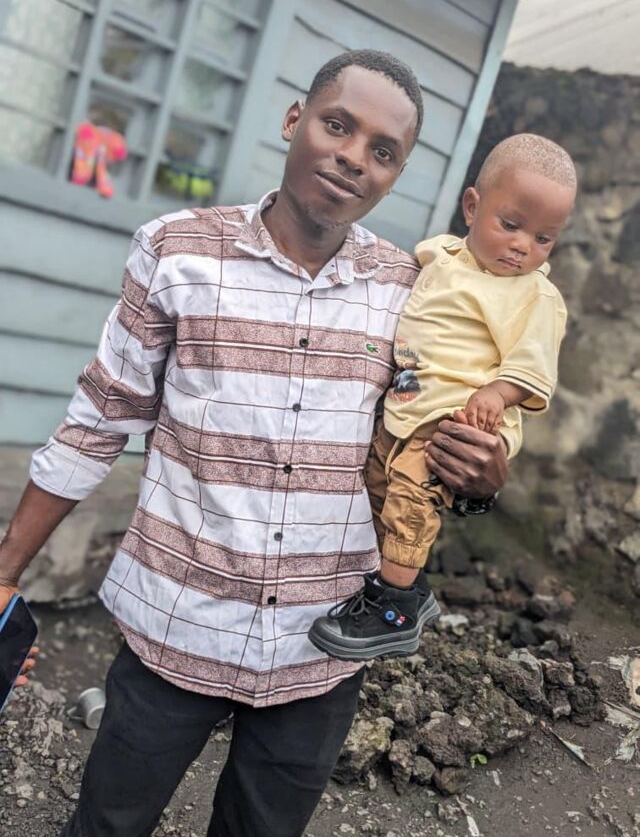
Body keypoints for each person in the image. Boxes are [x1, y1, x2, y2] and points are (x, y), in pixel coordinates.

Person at [0, 50, 507, 837]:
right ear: (295, 119)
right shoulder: (177, 253)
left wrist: (481, 475)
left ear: (397, 175)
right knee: (108, 822)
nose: (353, 157)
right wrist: (5, 572)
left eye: (382, 151)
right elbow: (99, 420)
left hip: (321, 648)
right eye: (338, 125)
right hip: (175, 627)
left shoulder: (409, 294)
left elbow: (426, 444)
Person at [309, 133, 575, 661]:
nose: (523, 246)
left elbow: (534, 367)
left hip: (458, 418)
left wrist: (498, 393)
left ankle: (393, 609)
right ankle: (409, 586)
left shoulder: (534, 295)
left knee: (411, 499)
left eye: (543, 238)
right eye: (511, 225)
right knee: (378, 488)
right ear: (472, 207)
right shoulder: (440, 255)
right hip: (407, 407)